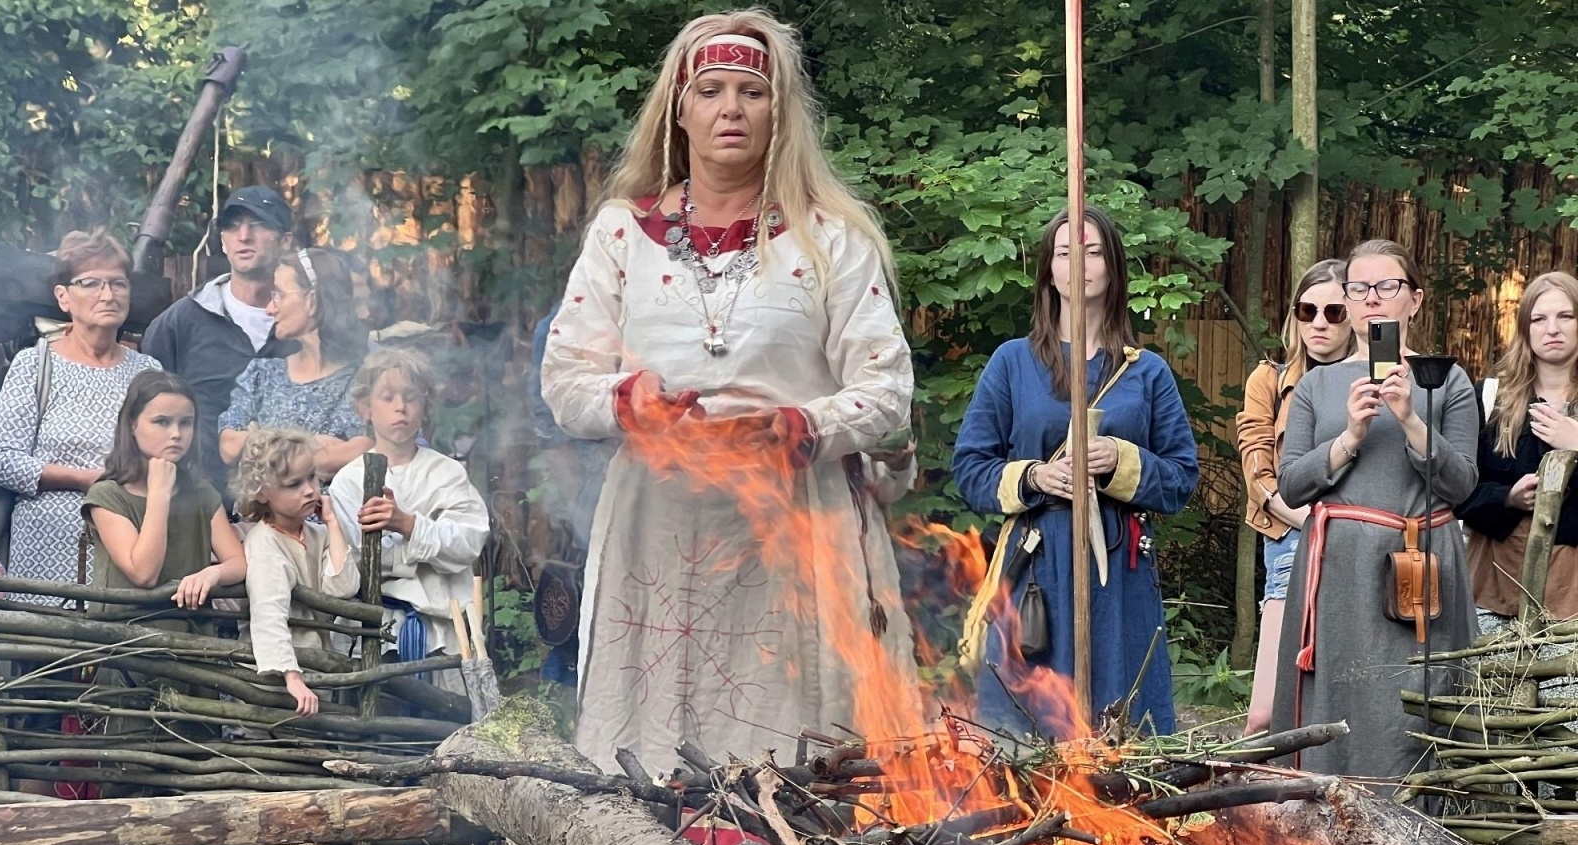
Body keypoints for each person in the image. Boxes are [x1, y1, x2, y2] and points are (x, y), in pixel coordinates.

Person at [541, 11, 917, 774]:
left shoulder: (831, 237)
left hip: (793, 521)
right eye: (711, 91)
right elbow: (564, 382)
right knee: (655, 755)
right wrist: (627, 402)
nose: (731, 109)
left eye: (752, 92)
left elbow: (888, 387)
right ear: (679, 109)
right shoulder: (621, 233)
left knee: (797, 749)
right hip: (659, 524)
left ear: (779, 112)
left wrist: (800, 425)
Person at [952, 206, 1199, 737]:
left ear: (1112, 266)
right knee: (1022, 740)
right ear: (1049, 271)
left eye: (1092, 251)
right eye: (1066, 252)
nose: (1079, 263)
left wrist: (1120, 462)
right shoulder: (1013, 363)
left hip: (1120, 575)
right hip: (1038, 571)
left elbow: (1181, 477)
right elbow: (970, 468)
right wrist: (1036, 478)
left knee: (1124, 734)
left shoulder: (1145, 371)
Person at [1271, 239, 1479, 785]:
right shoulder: (1316, 383)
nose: (1373, 299)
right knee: (1336, 701)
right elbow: (1290, 486)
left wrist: (1411, 419)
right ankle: (1320, 835)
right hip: (1339, 569)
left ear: (1414, 300)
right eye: (1359, 288)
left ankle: (1423, 836)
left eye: (1388, 287)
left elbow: (1463, 486)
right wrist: (1351, 435)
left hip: (1421, 564)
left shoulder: (1445, 378)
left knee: (1410, 707)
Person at [0, 229, 160, 592]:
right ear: (63, 296)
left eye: (118, 284)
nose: (107, 295)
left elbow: (169, 456)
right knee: (49, 647)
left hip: (129, 550)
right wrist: (81, 479)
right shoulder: (35, 364)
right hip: (45, 553)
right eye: (91, 283)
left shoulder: (149, 372)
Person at [1235, 260, 1357, 733]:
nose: (1320, 322)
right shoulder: (1269, 380)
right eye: (1308, 310)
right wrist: (1310, 520)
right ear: (1294, 316)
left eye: (1334, 311)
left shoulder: (1375, 381)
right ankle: (1249, 802)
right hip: (1292, 537)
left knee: (1342, 696)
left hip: (1360, 542)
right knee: (1266, 710)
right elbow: (1258, 471)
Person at [330, 348, 489, 664]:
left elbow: (469, 543)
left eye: (411, 397)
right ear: (366, 408)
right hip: (375, 635)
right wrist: (418, 552)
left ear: (425, 406)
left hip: (442, 635)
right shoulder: (349, 482)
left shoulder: (447, 473)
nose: (400, 407)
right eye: (387, 397)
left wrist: (408, 525)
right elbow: (355, 566)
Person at [141, 186, 294, 495]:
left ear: (286, 241)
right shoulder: (180, 322)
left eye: (259, 224)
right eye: (233, 226)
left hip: (293, 504)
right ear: (223, 241)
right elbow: (145, 415)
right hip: (200, 503)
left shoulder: (304, 328)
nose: (244, 236)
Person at [1460, 272, 1578, 630]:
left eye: (1566, 316)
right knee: (1492, 685)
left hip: (1572, 597)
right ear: (1525, 328)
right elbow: (1457, 491)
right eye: (1539, 319)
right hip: (1496, 588)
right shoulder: (1489, 397)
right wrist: (1507, 498)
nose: (1552, 329)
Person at [84, 370, 245, 603]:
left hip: (191, 634)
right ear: (131, 424)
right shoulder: (108, 495)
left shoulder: (202, 494)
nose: (176, 434)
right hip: (124, 633)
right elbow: (144, 573)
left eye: (186, 423)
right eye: (162, 422)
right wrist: (159, 492)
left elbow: (238, 562)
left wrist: (213, 573)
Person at [233, 428, 359, 715]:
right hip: (275, 685)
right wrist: (292, 676)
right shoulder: (265, 543)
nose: (309, 490)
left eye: (312, 477)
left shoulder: (316, 534)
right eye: (293, 484)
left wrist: (333, 524)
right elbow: (269, 611)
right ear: (262, 493)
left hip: (313, 673)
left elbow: (343, 589)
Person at [218, 248, 371, 481]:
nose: (270, 308)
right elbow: (229, 449)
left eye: (279, 294)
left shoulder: (363, 381)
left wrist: (258, 438)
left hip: (332, 516)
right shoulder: (262, 374)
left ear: (312, 300)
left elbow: (365, 453)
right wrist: (315, 445)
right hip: (262, 517)